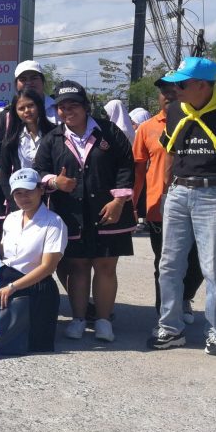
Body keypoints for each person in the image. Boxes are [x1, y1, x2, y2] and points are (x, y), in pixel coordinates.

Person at [148, 58, 216, 355]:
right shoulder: (176, 110)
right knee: (169, 265)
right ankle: (170, 328)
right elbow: (171, 150)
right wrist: (166, 190)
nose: (175, 89)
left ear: (202, 85)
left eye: (181, 84)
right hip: (179, 191)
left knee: (214, 267)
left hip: (215, 194)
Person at [34, 80, 135, 343]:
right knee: (77, 267)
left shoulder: (108, 132)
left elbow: (126, 165)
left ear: (86, 106)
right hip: (71, 213)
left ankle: (103, 320)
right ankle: (78, 319)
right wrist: (55, 182)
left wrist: (119, 201)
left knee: (105, 266)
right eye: (62, 107)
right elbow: (39, 171)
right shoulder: (52, 139)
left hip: (109, 211)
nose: (68, 111)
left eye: (74, 105)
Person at [132, 80, 203, 321]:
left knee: (197, 261)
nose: (169, 95)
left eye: (175, 90)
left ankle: (184, 296)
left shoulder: (198, 121)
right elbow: (138, 171)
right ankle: (165, 313)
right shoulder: (147, 128)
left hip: (197, 203)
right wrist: (132, 204)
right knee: (164, 262)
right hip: (159, 207)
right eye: (164, 91)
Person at [0, 168, 68, 354]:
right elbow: (4, 253)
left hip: (35, 286)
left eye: (29, 191)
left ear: (40, 190)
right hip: (5, 280)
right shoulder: (10, 218)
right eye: (18, 193)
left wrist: (12, 287)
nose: (24, 197)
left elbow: (48, 267)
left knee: (24, 343)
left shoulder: (54, 222)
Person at [0, 89, 55, 210]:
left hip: (51, 198)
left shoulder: (54, 134)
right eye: (21, 108)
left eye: (30, 105)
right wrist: (13, 199)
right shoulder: (11, 139)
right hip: (22, 200)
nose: (27, 111)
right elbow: (4, 173)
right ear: (15, 112)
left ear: (39, 106)